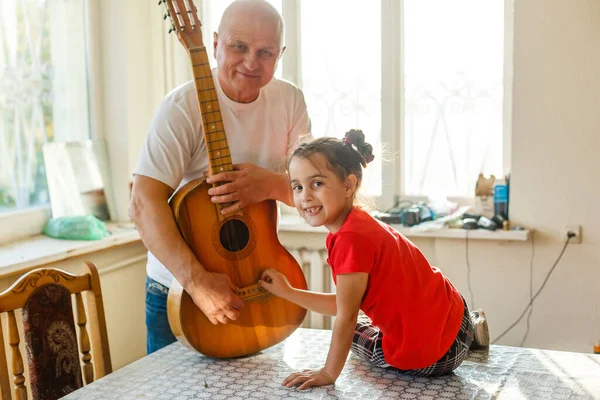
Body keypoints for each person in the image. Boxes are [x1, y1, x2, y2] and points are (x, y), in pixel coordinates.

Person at [129, 0, 311, 354]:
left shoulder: (290, 101)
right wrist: (197, 283)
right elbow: (142, 203)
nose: (250, 62)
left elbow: (315, 193)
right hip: (181, 290)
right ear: (214, 44)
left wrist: (269, 185)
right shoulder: (181, 107)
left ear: (280, 54)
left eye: (265, 52)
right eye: (238, 47)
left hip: (261, 283)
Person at [259, 129, 489, 390]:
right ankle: (473, 332)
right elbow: (345, 304)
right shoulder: (362, 222)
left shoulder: (349, 240)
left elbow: (345, 315)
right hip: (458, 318)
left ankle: (453, 344)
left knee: (357, 333)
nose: (305, 197)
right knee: (364, 315)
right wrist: (287, 292)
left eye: (317, 184)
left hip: (435, 357)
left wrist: (328, 373)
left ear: (348, 184)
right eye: (297, 187)